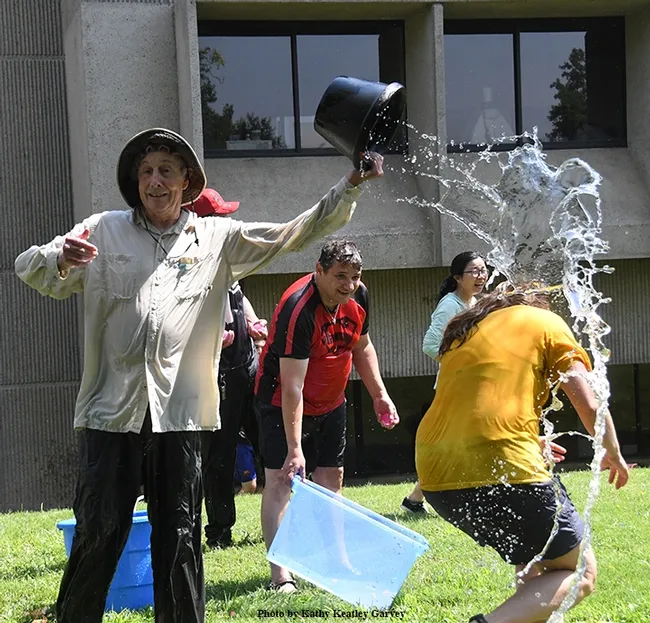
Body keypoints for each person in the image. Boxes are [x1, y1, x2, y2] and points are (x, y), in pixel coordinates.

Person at [14, 127, 384, 623]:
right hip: (109, 413)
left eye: (166, 170)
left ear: (187, 180)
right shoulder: (102, 229)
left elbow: (294, 232)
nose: (155, 181)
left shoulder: (217, 239)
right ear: (134, 181)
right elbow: (29, 267)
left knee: (181, 535)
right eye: (146, 171)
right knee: (98, 530)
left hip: (181, 415)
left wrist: (351, 185)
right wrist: (58, 258)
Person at [415, 289, 631, 623]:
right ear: (538, 304)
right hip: (503, 463)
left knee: (534, 566)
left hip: (436, 474)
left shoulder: (470, 329)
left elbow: (480, 402)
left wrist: (529, 440)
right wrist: (612, 451)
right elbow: (587, 399)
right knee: (582, 573)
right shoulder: (545, 322)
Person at [254, 239, 399, 593]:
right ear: (318, 271)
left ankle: (337, 560)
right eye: (339, 276)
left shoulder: (358, 296)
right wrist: (293, 448)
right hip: (281, 402)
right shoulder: (298, 309)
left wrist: (379, 395)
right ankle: (281, 576)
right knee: (280, 482)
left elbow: (362, 347)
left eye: (354, 276)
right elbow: (291, 387)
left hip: (332, 400)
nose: (348, 285)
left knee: (331, 480)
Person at [193, 187, 267, 548]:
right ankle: (219, 532)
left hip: (247, 367)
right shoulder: (189, 261)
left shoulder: (224, 256)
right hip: (217, 375)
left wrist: (252, 324)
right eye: (221, 218)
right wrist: (208, 338)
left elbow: (237, 297)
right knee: (219, 457)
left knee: (271, 441)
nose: (229, 223)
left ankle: (286, 521)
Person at [402, 251, 488, 514]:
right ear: (457, 277)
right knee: (464, 443)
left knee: (459, 444)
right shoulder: (450, 305)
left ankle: (415, 499)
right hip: (455, 388)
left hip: (471, 386)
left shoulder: (474, 302)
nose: (480, 276)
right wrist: (460, 363)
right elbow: (430, 345)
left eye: (483, 270)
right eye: (474, 271)